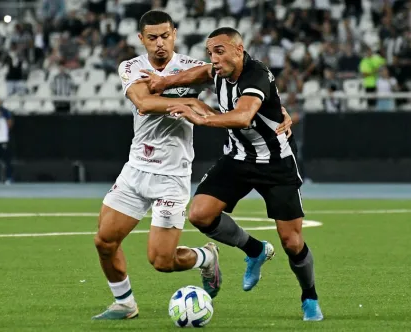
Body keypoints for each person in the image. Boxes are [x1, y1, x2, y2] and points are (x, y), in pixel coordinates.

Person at [92, 11, 291, 321]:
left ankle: (204, 256)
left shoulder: (196, 68)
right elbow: (144, 103)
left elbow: (249, 87)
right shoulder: (131, 67)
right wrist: (193, 104)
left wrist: (280, 112)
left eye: (165, 36)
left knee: (161, 260)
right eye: (152, 37)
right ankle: (124, 303)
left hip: (172, 176)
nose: (160, 43)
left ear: (175, 33)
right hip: (136, 168)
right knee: (104, 241)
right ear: (141, 39)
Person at [138, 27, 324, 321]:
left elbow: (242, 116)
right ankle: (255, 250)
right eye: (210, 53)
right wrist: (165, 81)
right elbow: (198, 73)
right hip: (237, 158)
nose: (214, 59)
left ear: (239, 49)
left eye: (220, 51)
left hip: (275, 163)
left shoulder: (256, 75)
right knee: (200, 214)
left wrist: (199, 117)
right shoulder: (218, 70)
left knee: (291, 241)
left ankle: (309, 297)